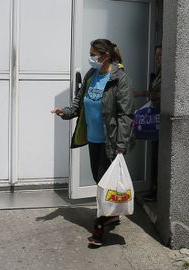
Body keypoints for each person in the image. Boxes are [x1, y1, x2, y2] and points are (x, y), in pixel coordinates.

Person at [51, 38, 134, 246]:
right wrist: (65, 112)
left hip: (111, 141)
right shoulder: (91, 75)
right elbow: (79, 102)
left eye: (93, 54)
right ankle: (112, 215)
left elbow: (126, 115)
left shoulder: (119, 79)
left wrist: (121, 145)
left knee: (104, 186)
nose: (91, 58)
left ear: (105, 55)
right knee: (101, 181)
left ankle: (99, 229)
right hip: (93, 140)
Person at [144, 45, 162, 202]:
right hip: (154, 119)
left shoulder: (167, 74)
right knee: (154, 155)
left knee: (158, 157)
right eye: (156, 55)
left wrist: (152, 96)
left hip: (160, 119)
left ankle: (156, 190)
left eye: (160, 55)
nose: (157, 58)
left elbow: (163, 94)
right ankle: (154, 188)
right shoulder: (158, 73)